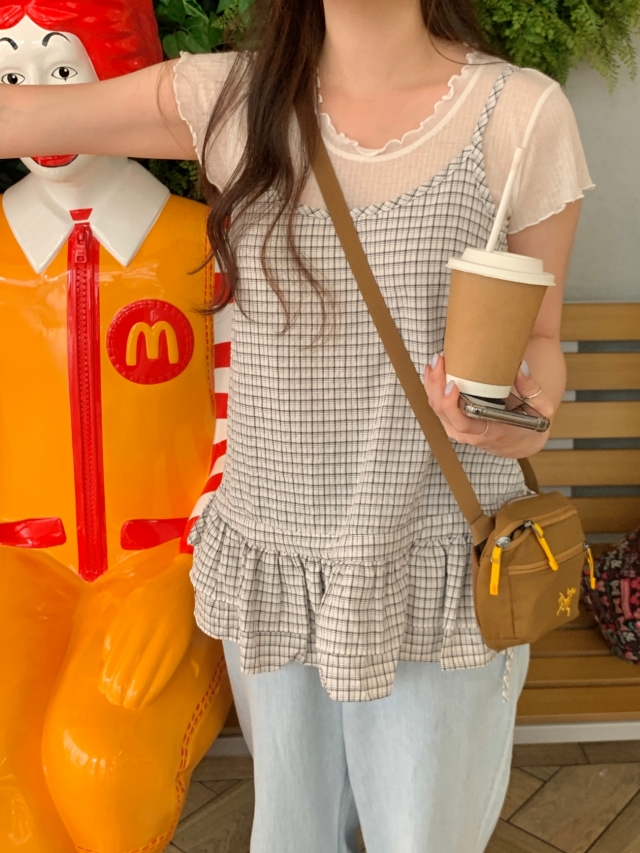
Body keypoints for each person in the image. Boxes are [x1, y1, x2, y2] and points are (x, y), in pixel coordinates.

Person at [0, 0, 593, 851]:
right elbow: (23, 113)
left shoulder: (521, 115)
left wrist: (517, 424)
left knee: (421, 839)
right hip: (272, 567)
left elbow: (539, 345)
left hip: (430, 563)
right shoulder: (230, 100)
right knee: (291, 833)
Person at [0, 2, 232, 851]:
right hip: (18, 569)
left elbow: (252, 427)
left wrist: (190, 571)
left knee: (101, 769)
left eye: (64, 71)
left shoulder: (206, 248)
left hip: (167, 571)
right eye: (11, 75)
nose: (35, 102)